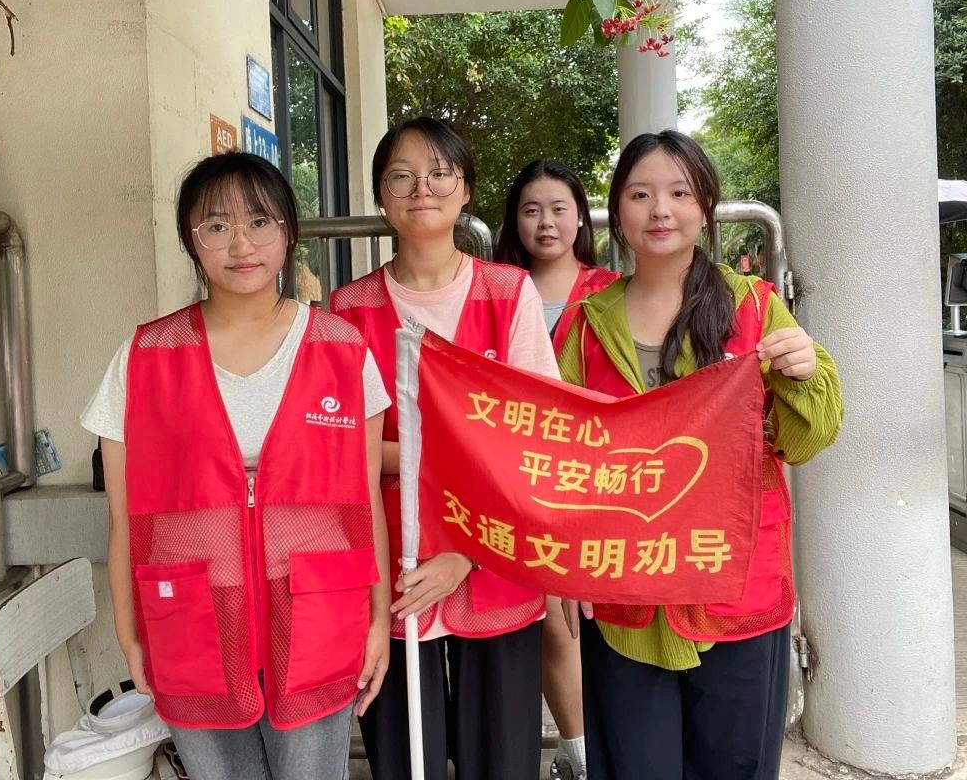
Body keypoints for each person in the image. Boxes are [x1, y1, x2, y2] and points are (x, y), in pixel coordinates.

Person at [82, 151, 390, 780]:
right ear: (191, 241)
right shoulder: (145, 357)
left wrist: (379, 618)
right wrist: (129, 632)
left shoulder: (342, 349)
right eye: (217, 225)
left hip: (317, 613)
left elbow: (364, 502)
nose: (241, 244)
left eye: (260, 221)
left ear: (289, 233)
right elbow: (125, 518)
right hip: (191, 618)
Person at [557, 130, 843, 780]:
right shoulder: (584, 324)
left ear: (706, 205)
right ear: (617, 210)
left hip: (735, 590)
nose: (660, 209)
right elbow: (559, 458)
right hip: (627, 596)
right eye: (640, 194)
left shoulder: (756, 308)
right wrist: (565, 570)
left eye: (679, 193)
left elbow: (806, 440)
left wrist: (804, 374)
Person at [330, 117, 559, 780]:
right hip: (391, 577)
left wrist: (468, 551)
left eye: (439, 174)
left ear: (466, 190)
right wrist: (444, 456)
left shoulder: (507, 293)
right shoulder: (349, 311)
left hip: (495, 562)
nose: (421, 189)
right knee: (407, 762)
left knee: (503, 759)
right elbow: (342, 450)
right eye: (401, 176)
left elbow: (535, 436)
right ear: (380, 195)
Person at [494, 159, 621, 780]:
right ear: (513, 221)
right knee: (554, 618)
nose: (546, 222)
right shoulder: (495, 291)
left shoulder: (612, 291)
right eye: (531, 210)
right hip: (523, 481)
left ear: (580, 217)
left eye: (559, 208)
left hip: (603, 482)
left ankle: (615, 747)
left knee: (605, 621)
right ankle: (581, 757)